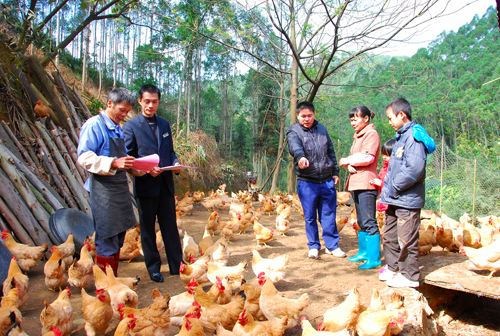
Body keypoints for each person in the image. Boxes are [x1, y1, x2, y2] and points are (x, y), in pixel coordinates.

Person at [123, 84, 183, 282]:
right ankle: (154, 268)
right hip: (146, 185)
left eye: (154, 101)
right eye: (147, 101)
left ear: (159, 102)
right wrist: (146, 169)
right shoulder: (131, 126)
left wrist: (174, 163)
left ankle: (177, 264)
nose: (150, 105)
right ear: (140, 101)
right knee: (148, 229)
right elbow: (129, 157)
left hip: (165, 184)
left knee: (170, 226)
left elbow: (170, 151)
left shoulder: (165, 125)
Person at [77, 88, 138, 276]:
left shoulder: (117, 129)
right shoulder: (94, 125)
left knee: (119, 236)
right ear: (109, 104)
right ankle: (105, 287)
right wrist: (113, 162)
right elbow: (84, 157)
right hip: (103, 192)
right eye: (121, 110)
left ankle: (113, 281)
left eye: (127, 112)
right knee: (106, 237)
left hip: (118, 190)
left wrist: (136, 166)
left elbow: (123, 159)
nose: (124, 115)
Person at [379, 97, 435, 288]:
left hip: (407, 199)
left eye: (390, 118)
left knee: (406, 239)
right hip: (395, 198)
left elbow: (414, 170)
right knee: (390, 235)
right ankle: (394, 268)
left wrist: (393, 186)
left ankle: (409, 275)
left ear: (401, 114)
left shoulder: (413, 137)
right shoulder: (401, 137)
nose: (389, 122)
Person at [286, 101, 345, 259]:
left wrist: (335, 171)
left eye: (309, 115)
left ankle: (332, 245)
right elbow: (294, 146)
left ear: (314, 114)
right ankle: (313, 245)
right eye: (303, 116)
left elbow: (330, 151)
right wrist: (300, 157)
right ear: (298, 116)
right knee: (310, 215)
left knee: (329, 214)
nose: (306, 119)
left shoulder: (322, 129)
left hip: (326, 180)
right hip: (307, 181)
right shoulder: (294, 131)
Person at [339, 105, 381, 270]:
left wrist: (347, 160)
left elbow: (368, 157)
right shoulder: (358, 135)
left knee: (369, 220)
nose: (353, 122)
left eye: (355, 119)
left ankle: (374, 258)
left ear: (366, 118)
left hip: (366, 183)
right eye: (351, 119)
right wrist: (348, 166)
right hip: (356, 182)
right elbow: (358, 158)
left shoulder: (371, 134)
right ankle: (364, 252)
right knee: (362, 220)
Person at [370, 138, 396, 213]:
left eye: (387, 155)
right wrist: (375, 183)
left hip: (391, 203)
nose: (384, 157)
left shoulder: (395, 169)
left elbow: (395, 185)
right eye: (383, 154)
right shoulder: (384, 168)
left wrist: (381, 183)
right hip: (383, 200)